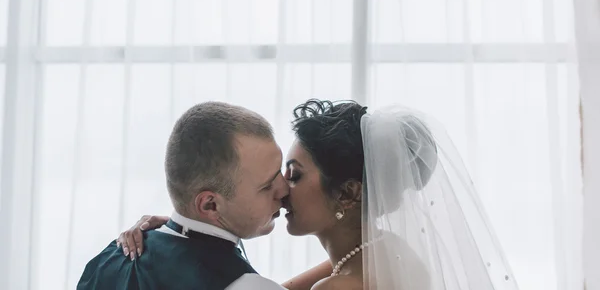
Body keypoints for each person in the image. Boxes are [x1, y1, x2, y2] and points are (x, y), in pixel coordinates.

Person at [117, 100, 520, 289]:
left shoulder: (343, 285)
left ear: (347, 194)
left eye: (292, 176)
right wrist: (179, 228)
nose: (279, 189)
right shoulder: (386, 251)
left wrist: (179, 233)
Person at [77, 101, 324, 290]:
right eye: (267, 185)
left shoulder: (103, 262)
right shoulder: (244, 284)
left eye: (281, 171)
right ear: (210, 204)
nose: (284, 190)